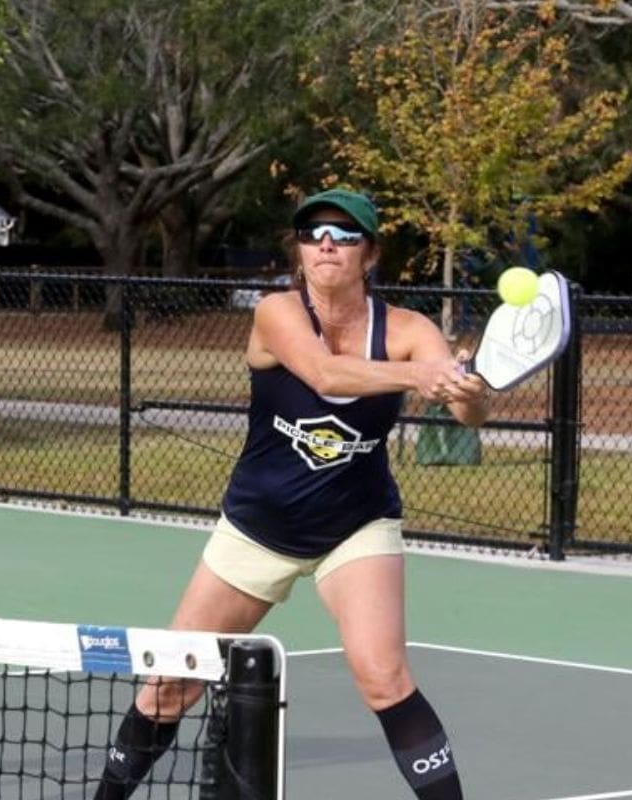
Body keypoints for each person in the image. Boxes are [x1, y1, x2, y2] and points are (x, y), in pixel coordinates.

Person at [92, 189, 490, 800]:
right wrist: (420, 375)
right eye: (313, 235)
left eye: (345, 235)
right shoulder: (277, 313)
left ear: (371, 254)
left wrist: (467, 388)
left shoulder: (409, 329)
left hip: (355, 528)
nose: (327, 244)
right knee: (170, 685)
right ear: (299, 253)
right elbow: (327, 373)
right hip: (256, 527)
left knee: (384, 678)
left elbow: (468, 416)